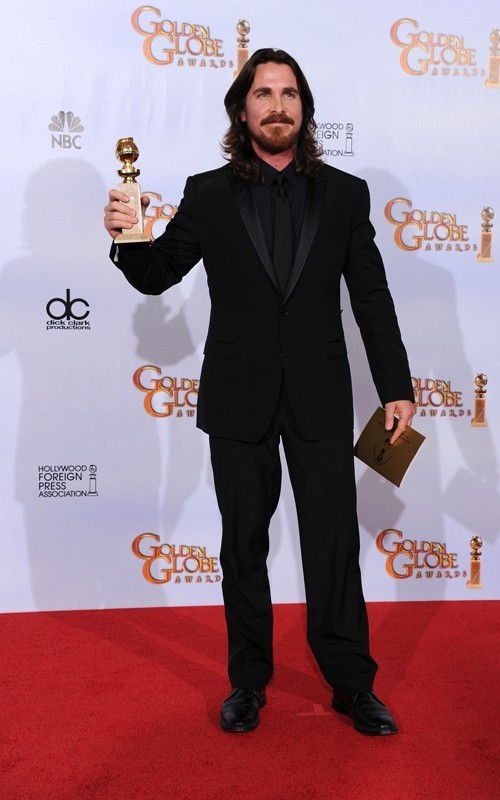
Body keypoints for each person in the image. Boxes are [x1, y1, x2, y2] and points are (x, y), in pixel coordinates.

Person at [104, 48, 415, 736]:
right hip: (238, 394)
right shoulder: (208, 193)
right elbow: (157, 274)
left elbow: (371, 296)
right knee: (242, 543)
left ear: (304, 109)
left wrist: (396, 386)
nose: (278, 105)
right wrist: (127, 236)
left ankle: (352, 684)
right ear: (241, 111)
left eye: (289, 94)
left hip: (320, 394)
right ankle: (248, 682)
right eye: (264, 93)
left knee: (332, 543)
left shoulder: (345, 194)